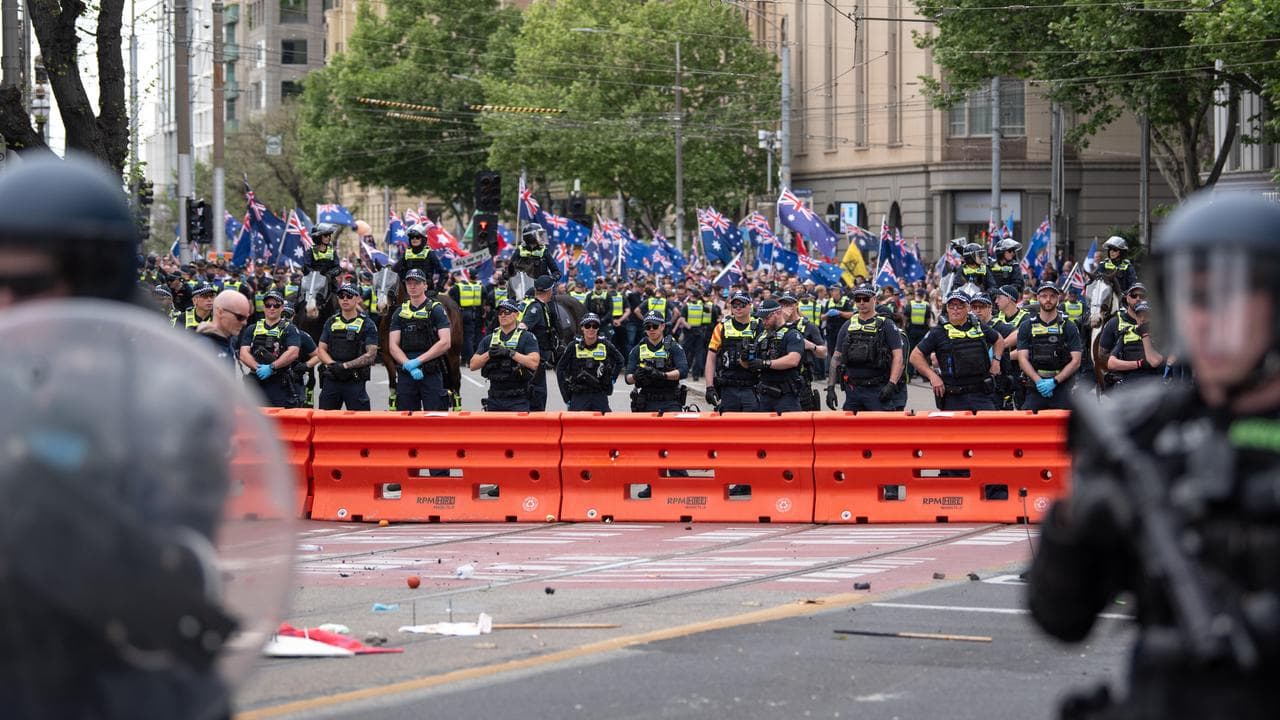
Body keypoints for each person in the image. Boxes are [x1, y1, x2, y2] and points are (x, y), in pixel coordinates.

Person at [1027, 191, 1280, 720]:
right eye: (1193, 298)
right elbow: (1061, 618)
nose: (1206, 320)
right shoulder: (1147, 429)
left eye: (1228, 298)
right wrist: (1074, 525)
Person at [910, 291, 1004, 411]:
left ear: (968, 308)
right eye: (951, 306)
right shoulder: (938, 332)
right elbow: (915, 356)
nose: (955, 309)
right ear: (947, 308)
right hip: (953, 397)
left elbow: (999, 339)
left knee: (990, 423)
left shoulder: (978, 326)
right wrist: (932, 376)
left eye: (960, 306)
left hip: (981, 395)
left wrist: (996, 361)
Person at [827, 285, 904, 411]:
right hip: (852, 391)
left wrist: (892, 384)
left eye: (866, 299)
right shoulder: (848, 325)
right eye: (858, 299)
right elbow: (836, 357)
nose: (862, 303)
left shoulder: (887, 325)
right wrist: (830, 388)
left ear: (874, 299)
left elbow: (898, 357)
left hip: (878, 390)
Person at [389, 269, 453, 411]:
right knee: (406, 417)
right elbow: (393, 345)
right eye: (409, 283)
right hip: (406, 372)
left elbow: (445, 342)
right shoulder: (399, 312)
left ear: (425, 285)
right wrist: (408, 364)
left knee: (435, 416)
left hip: (430, 370)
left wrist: (418, 361)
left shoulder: (436, 309)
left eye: (417, 283)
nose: (412, 286)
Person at [1015, 282, 1083, 411]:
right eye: (1044, 295)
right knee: (1027, 419)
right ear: (1038, 297)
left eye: (1052, 296)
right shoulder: (1026, 326)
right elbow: (1022, 358)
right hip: (1035, 386)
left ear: (1058, 298)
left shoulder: (1069, 326)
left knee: (1068, 421)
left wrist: (1055, 381)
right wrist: (1038, 381)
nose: (1048, 299)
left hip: (1062, 385)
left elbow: (1076, 361)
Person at [315, 283, 379, 410]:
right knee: (325, 419)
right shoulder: (331, 321)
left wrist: (345, 366)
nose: (345, 299)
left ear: (358, 299)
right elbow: (321, 349)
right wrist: (333, 365)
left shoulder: (368, 324)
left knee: (359, 420)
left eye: (349, 296)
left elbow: (371, 355)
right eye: (341, 296)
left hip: (354, 379)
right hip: (332, 377)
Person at [471, 298, 541, 411]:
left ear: (516, 315)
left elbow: (534, 363)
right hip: (494, 399)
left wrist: (510, 353)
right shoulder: (489, 339)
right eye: (500, 312)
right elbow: (473, 365)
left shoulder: (527, 337)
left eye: (507, 312)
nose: (503, 315)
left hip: (518, 400)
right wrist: (489, 354)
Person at [237, 289, 302, 407]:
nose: (272, 308)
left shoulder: (290, 328)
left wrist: (271, 367)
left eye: (276, 305)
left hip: (279, 382)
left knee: (278, 416)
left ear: (282, 308)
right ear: (264, 307)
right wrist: (257, 367)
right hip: (256, 380)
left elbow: (293, 352)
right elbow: (243, 353)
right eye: (268, 305)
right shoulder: (252, 328)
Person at [704, 292, 761, 412]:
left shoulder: (759, 326)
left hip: (752, 387)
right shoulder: (721, 327)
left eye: (742, 305)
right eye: (734, 305)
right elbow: (711, 357)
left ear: (750, 305)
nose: (738, 308)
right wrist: (709, 387)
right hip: (728, 387)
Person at [556, 313, 624, 412]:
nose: (591, 329)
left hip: (599, 393)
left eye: (594, 326)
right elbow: (560, 369)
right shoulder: (573, 346)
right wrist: (565, 395)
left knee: (605, 421)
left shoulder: (605, 344)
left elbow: (620, 360)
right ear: (582, 328)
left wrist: (612, 379)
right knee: (575, 421)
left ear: (598, 328)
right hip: (579, 394)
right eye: (587, 326)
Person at [746, 299, 805, 413]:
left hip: (786, 395)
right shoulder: (761, 337)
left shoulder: (792, 334)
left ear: (777, 313)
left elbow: (793, 360)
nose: (764, 321)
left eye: (766, 318)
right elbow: (751, 364)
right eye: (762, 319)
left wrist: (765, 363)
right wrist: (746, 357)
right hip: (764, 395)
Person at [626, 312, 689, 413]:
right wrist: (635, 376)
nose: (651, 329)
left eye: (655, 326)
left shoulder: (674, 347)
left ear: (662, 326)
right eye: (648, 327)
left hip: (670, 400)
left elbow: (684, 371)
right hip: (646, 401)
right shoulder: (638, 349)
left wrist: (663, 375)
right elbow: (627, 378)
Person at [1096, 283, 1152, 388]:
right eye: (1134, 295)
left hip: (1151, 381)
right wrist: (1129, 364)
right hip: (1125, 383)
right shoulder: (1114, 323)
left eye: (1142, 296)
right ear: (1127, 298)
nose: (1138, 298)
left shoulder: (1156, 323)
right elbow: (1102, 356)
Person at [778, 292, 826, 410]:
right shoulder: (776, 326)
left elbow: (823, 352)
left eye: (789, 304)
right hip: (778, 379)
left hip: (800, 379)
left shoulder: (808, 326)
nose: (786, 308)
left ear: (796, 305)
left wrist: (811, 346)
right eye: (783, 305)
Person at [518, 275, 557, 411]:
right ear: (549, 291)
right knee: (537, 395)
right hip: (534, 360)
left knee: (539, 394)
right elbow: (522, 328)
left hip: (538, 359)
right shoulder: (535, 308)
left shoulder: (541, 306)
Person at [1104, 300, 1164, 388]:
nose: (1142, 319)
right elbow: (1111, 363)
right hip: (1129, 384)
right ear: (1136, 317)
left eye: (1146, 315)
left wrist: (1144, 335)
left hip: (1153, 385)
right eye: (1139, 316)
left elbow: (1154, 361)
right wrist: (1138, 364)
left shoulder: (1161, 334)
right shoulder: (1127, 332)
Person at [392, 223, 448, 293]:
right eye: (412, 237)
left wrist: (437, 290)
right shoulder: (406, 254)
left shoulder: (430, 253)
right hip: (408, 291)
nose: (414, 239)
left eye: (417, 237)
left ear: (423, 239)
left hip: (426, 292)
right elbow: (394, 270)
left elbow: (444, 273)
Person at [448, 271, 483, 364]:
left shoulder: (456, 287)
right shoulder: (471, 286)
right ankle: (469, 359)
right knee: (469, 338)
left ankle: (461, 359)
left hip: (459, 313)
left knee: (458, 336)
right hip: (470, 312)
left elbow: (450, 300)